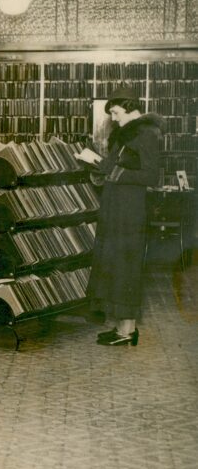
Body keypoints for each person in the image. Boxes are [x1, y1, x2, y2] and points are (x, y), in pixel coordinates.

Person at [84, 86, 164, 346]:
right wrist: (96, 166)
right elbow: (113, 167)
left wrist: (119, 175)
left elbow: (152, 176)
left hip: (130, 211)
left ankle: (127, 331)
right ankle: (121, 327)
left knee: (126, 266)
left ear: (129, 108)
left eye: (116, 113)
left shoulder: (148, 133)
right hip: (114, 208)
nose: (114, 118)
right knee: (114, 264)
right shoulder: (125, 134)